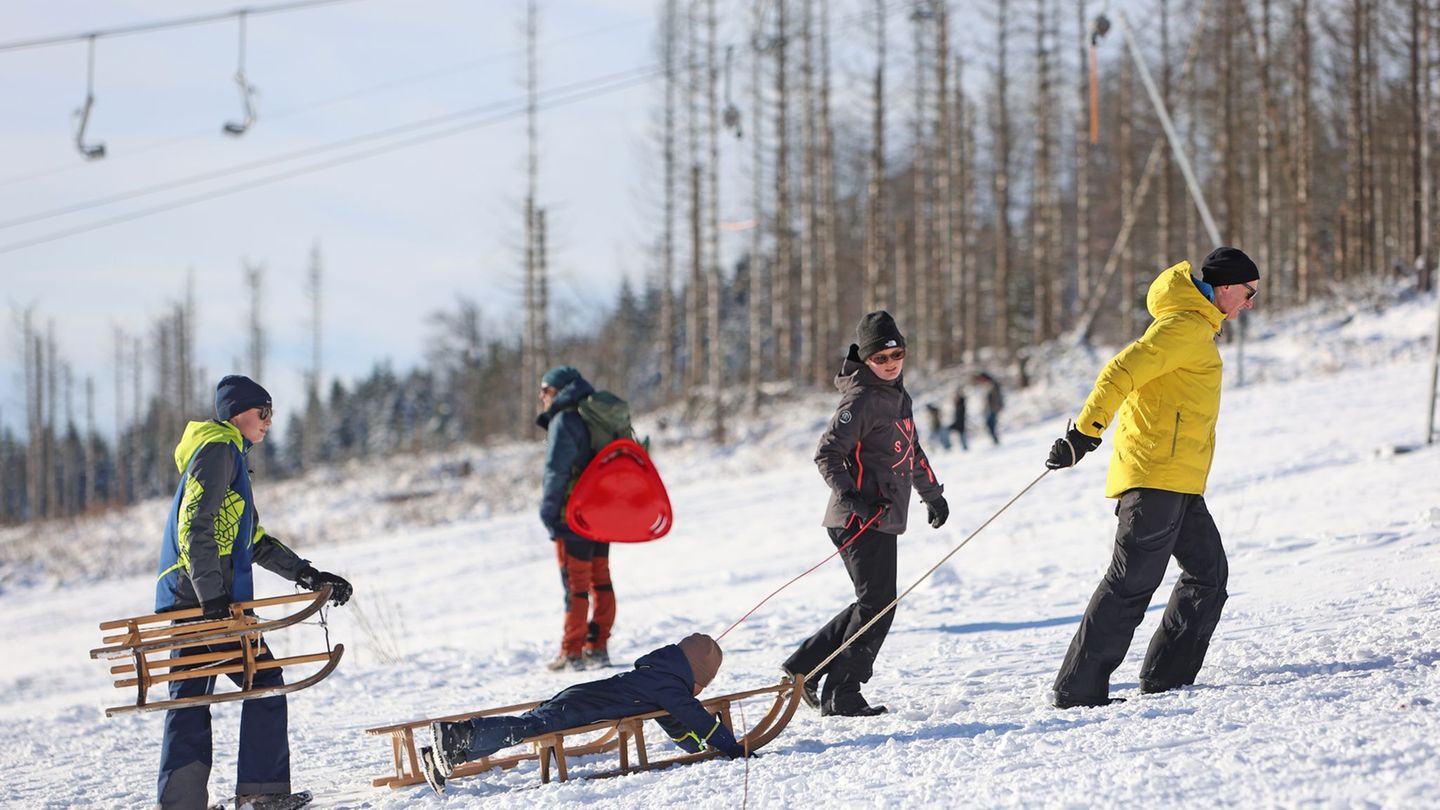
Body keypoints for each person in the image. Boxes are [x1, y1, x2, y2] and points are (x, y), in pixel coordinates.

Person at [1043, 247, 1259, 709]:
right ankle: (1077, 689)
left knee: (1208, 575)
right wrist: (1085, 432)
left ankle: (1167, 678)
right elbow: (1121, 369)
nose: (1250, 302)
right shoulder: (1182, 327)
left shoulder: (1197, 327)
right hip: (1155, 477)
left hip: (1179, 479)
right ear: (1225, 288)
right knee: (1131, 583)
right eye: (1248, 292)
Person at [154, 375, 353, 810]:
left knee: (191, 699)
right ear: (237, 413)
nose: (268, 421)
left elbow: (253, 540)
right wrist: (213, 600)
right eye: (263, 412)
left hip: (192, 597)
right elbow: (194, 527)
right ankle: (261, 793)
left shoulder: (226, 455)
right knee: (263, 681)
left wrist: (307, 574)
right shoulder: (219, 450)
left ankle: (181, 804)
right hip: (206, 601)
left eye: (271, 413)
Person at [782, 311, 949, 717]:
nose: (891, 362)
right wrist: (855, 500)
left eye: (897, 353)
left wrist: (933, 494)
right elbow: (827, 454)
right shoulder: (860, 399)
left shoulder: (897, 394)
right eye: (880, 358)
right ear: (866, 359)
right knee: (878, 603)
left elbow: (910, 451)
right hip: (857, 519)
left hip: (881, 516)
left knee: (874, 602)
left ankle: (804, 666)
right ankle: (843, 691)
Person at [428, 633, 747, 783]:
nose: (696, 694)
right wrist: (731, 747)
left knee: (531, 723)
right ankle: (456, 734)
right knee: (531, 726)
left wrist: (700, 744)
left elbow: (682, 728)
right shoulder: (668, 687)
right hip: (581, 706)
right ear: (694, 674)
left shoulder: (660, 680)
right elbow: (691, 715)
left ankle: (451, 754)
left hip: (581, 697)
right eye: (701, 686)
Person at [536, 365, 616, 672]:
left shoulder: (564, 419)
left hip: (573, 515)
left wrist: (548, 511)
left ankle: (572, 652)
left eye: (545, 389)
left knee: (576, 584)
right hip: (603, 512)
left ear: (558, 390)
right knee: (601, 579)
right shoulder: (596, 415)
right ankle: (598, 647)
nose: (542, 396)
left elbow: (557, 470)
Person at [973, 371, 1004, 445]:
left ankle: (996, 441)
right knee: (989, 424)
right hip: (988, 409)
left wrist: (998, 406)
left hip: (993, 408)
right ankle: (995, 440)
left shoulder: (992, 385)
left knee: (991, 424)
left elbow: (997, 397)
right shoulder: (985, 386)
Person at [948, 387, 969, 451]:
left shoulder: (961, 404)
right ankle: (964, 447)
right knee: (961, 433)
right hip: (958, 421)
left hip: (960, 422)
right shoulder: (958, 404)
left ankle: (965, 447)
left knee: (962, 433)